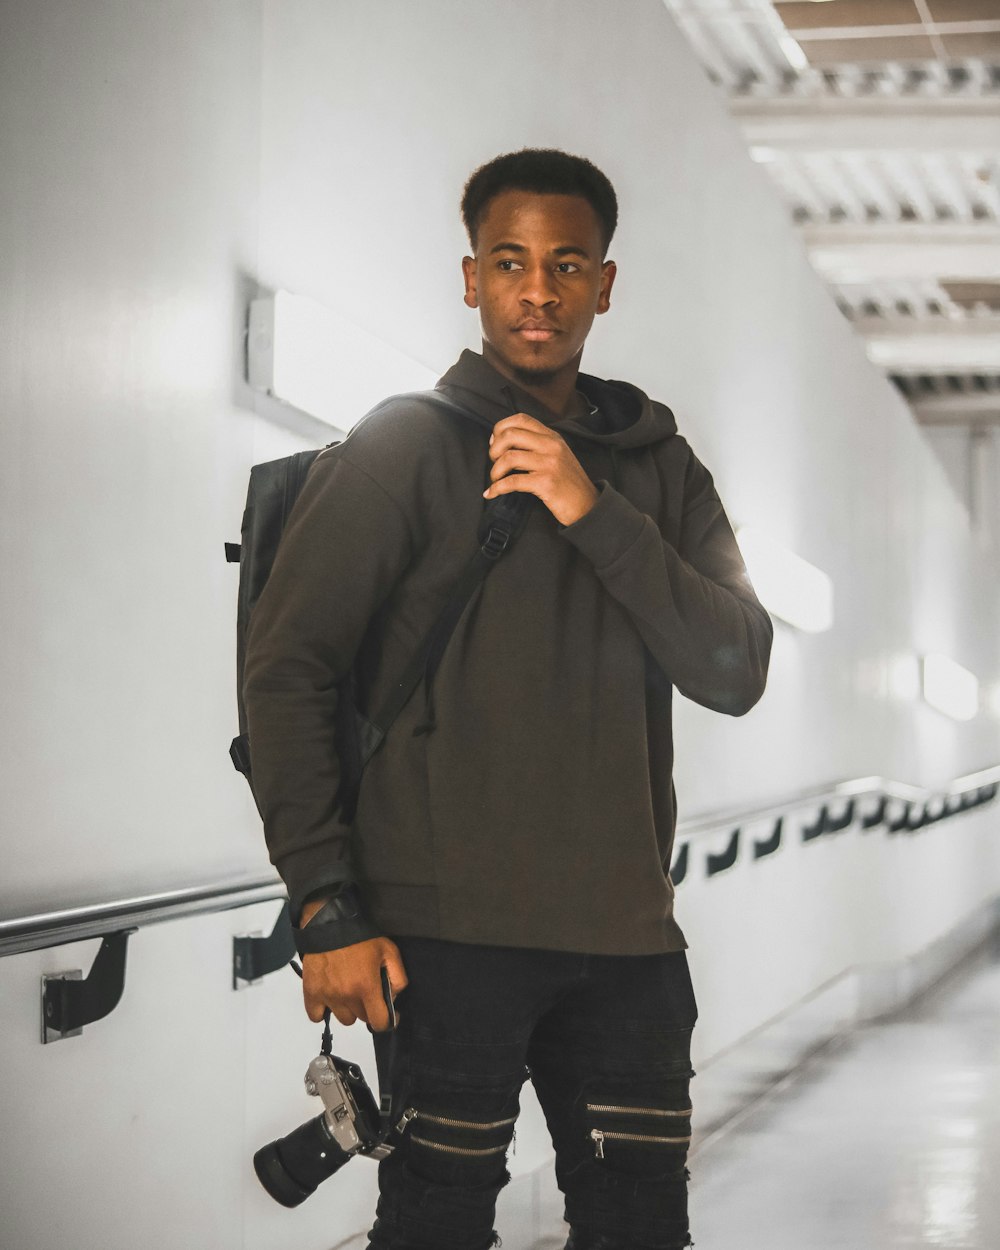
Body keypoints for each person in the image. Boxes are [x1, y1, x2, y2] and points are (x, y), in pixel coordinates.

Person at [244, 148, 772, 1250]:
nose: (539, 289)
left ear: (604, 284)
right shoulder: (405, 445)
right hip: (442, 934)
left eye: (566, 263)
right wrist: (324, 903)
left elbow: (733, 666)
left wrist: (593, 510)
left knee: (640, 1229)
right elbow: (289, 671)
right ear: (471, 277)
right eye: (511, 261)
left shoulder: (658, 468)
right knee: (435, 1227)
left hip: (627, 938)